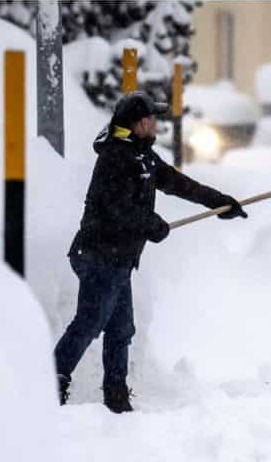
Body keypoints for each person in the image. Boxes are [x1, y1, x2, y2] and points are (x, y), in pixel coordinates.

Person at [54, 91, 248, 413]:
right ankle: (50, 382)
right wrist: (151, 224)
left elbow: (179, 184)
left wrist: (220, 203)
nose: (156, 123)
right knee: (90, 321)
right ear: (140, 122)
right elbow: (117, 208)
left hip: (118, 258)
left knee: (120, 328)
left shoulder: (143, 156)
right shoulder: (115, 157)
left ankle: (116, 397)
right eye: (152, 118)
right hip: (98, 253)